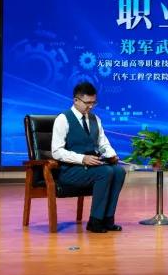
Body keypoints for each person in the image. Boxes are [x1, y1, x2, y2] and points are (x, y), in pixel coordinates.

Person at [51, 81, 126, 233]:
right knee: (105, 172)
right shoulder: (63, 119)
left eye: (93, 103)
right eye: (87, 103)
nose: (91, 106)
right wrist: (82, 158)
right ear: (76, 100)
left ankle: (107, 219)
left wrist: (111, 155)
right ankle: (95, 221)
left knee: (119, 171)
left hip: (91, 168)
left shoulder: (95, 119)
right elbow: (57, 151)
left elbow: (103, 144)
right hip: (71, 170)